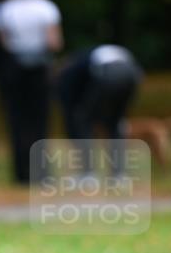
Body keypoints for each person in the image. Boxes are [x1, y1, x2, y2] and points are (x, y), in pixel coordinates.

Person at [0, 0, 62, 183]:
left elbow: (4, 42)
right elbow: (54, 42)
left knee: (16, 120)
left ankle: (21, 173)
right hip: (40, 67)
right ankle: (42, 172)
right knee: (40, 120)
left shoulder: (3, 8)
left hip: (14, 67)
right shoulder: (46, 8)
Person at [57, 45, 143, 176]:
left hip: (108, 73)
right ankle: (119, 174)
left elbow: (69, 99)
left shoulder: (74, 65)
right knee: (116, 122)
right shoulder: (92, 53)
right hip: (133, 75)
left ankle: (88, 173)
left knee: (82, 120)